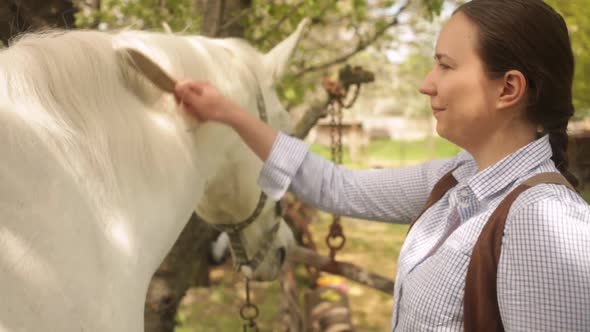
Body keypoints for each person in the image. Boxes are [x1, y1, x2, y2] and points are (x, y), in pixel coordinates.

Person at [175, 0, 590, 330]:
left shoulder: (544, 222)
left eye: (446, 65)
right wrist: (228, 111)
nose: (426, 83)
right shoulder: (456, 180)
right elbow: (337, 187)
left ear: (509, 88)